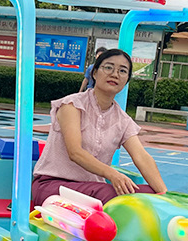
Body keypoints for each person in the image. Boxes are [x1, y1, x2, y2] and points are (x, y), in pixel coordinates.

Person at [32, 48, 167, 206]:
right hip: (54, 186)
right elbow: (75, 152)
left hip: (93, 190)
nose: (115, 74)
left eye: (122, 71)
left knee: (149, 194)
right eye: (108, 67)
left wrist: (165, 195)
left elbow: (142, 157)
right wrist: (112, 174)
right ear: (94, 73)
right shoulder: (72, 105)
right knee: (113, 195)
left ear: (126, 80)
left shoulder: (123, 120)